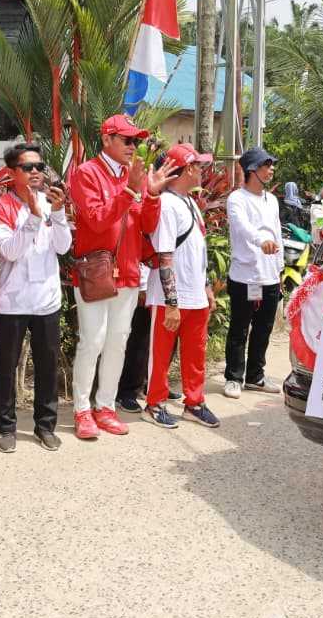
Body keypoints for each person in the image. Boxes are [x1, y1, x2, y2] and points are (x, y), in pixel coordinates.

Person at [69, 114, 173, 439]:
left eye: (136, 141)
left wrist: (152, 195)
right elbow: (97, 220)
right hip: (96, 273)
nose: (133, 146)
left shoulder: (133, 175)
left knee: (117, 342)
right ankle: (82, 410)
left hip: (127, 273)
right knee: (92, 341)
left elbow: (147, 226)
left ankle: (105, 407)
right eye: (127, 140)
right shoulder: (86, 173)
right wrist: (130, 191)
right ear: (106, 139)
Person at [0, 142, 71, 452]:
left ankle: (45, 426)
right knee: (6, 367)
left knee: (47, 365)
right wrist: (34, 218)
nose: (36, 172)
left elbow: (63, 247)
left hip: (47, 299)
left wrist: (57, 214)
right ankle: (6, 427)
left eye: (39, 166)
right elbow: (9, 251)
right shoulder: (1, 207)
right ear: (12, 173)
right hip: (14, 301)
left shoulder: (51, 202)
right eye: (27, 167)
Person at [142, 144, 221, 430]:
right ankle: (154, 404)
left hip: (195, 294)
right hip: (171, 298)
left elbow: (197, 251)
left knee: (195, 353)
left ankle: (194, 403)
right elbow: (165, 255)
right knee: (161, 355)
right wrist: (172, 303)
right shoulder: (167, 204)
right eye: (199, 165)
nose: (202, 170)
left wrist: (206, 287)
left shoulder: (189, 202)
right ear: (187, 168)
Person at [224, 147, 284, 399]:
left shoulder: (272, 200)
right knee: (240, 328)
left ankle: (255, 377)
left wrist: (280, 269)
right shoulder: (237, 199)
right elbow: (243, 227)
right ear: (251, 170)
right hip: (247, 278)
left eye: (271, 165)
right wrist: (261, 241)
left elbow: (277, 233)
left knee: (263, 329)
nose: (271, 170)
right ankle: (233, 377)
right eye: (266, 165)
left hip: (270, 277)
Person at [114, 264, 153, 413]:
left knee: (154, 342)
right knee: (138, 342)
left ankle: (148, 386)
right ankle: (126, 392)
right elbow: (140, 257)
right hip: (139, 285)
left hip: (165, 288)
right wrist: (142, 286)